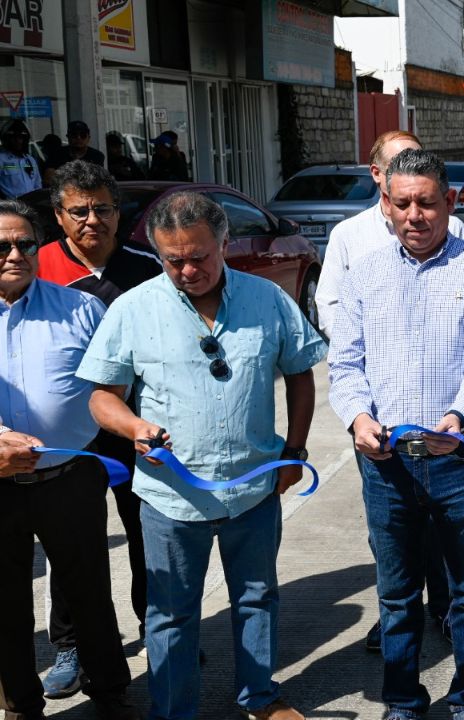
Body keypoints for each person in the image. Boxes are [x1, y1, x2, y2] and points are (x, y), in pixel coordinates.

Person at [76, 191, 327, 720]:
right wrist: (133, 426)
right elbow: (101, 396)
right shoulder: (133, 307)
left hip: (253, 489)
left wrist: (294, 448)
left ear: (224, 243)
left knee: (257, 598)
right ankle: (173, 711)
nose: (187, 269)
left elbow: (300, 372)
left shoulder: (267, 299)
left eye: (199, 257)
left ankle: (259, 699)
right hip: (169, 499)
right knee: (170, 615)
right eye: (173, 260)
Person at [328, 149, 464, 720]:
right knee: (396, 593)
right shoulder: (363, 274)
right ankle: (403, 700)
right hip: (385, 462)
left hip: (458, 460)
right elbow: (345, 363)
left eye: (427, 202)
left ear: (450, 202)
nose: (415, 214)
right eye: (403, 202)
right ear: (385, 205)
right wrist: (359, 418)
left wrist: (458, 420)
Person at [0, 199, 140, 720]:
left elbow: (114, 383)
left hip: (71, 475)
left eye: (24, 244)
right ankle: (19, 704)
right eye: (1, 246)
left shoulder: (80, 309)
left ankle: (110, 692)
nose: (15, 254)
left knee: (89, 594)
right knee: (6, 604)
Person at [34, 160, 162, 697]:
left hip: (134, 428)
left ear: (119, 214)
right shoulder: (33, 264)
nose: (92, 220)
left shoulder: (148, 268)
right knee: (73, 549)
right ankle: (69, 645)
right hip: (65, 436)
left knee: (147, 539)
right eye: (78, 211)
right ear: (60, 217)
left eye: (102, 209)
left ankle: (160, 634)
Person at [316, 129, 464, 338]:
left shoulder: (453, 228)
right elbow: (331, 304)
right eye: (397, 164)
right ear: (376, 173)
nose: (410, 171)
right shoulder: (348, 235)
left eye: (418, 162)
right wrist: (360, 352)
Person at [0, 120, 41, 199]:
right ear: (7, 139)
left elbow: (37, 184)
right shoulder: (1, 159)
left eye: (21, 138)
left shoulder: (30, 160)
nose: (18, 141)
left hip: (31, 206)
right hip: (10, 207)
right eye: (14, 138)